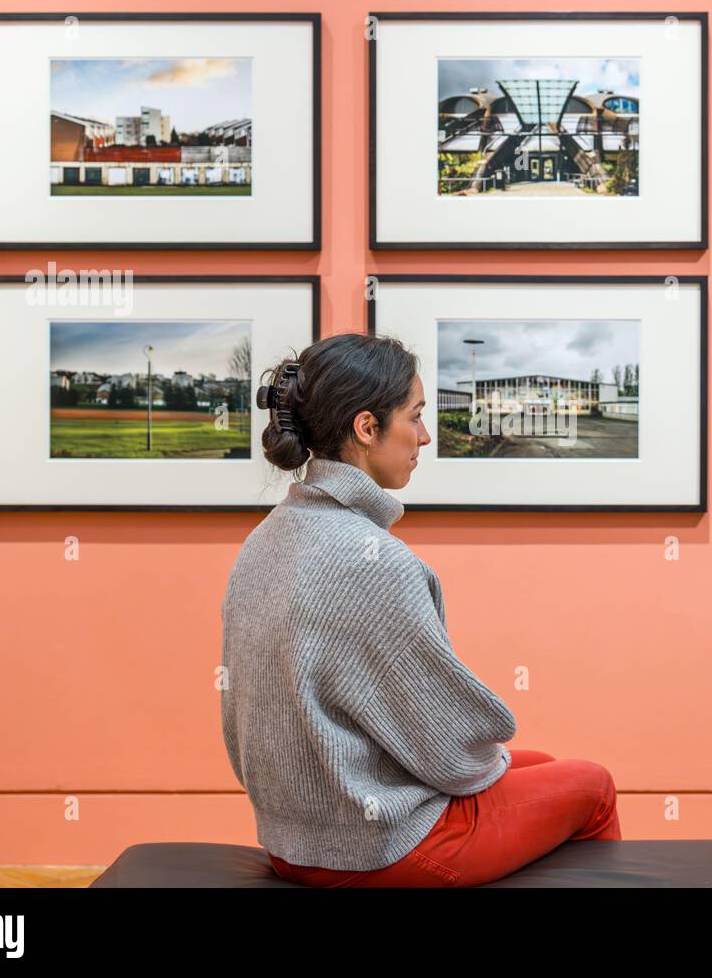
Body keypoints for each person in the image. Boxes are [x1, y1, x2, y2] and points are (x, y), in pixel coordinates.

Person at [219, 333, 620, 888]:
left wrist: (490, 766)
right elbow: (456, 753)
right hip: (375, 848)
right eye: (415, 417)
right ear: (366, 428)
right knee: (592, 786)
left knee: (542, 764)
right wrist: (484, 765)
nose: (425, 437)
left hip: (293, 837)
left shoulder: (266, 539)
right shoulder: (376, 561)